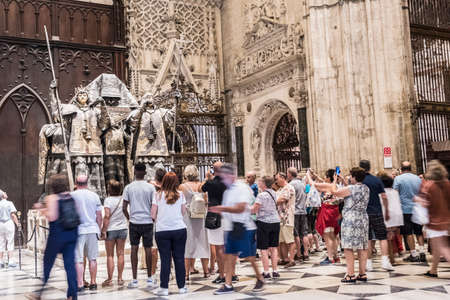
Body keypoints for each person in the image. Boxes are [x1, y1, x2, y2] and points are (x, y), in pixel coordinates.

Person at [210, 164, 264, 295]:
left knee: (249, 256)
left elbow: (240, 208)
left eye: (224, 177)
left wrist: (221, 209)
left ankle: (260, 278)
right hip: (231, 226)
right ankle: (228, 284)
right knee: (230, 256)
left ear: (231, 175)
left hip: (243, 226)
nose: (223, 180)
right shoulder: (228, 190)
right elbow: (229, 209)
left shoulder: (241, 188)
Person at [30, 174, 79, 300]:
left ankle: (38, 293)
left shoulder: (51, 198)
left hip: (57, 235)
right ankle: (73, 295)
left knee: (48, 264)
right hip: (72, 233)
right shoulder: (71, 196)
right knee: (70, 265)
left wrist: (42, 209)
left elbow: (52, 216)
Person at [151, 172, 188, 296]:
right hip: (179, 229)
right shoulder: (181, 195)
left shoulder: (157, 195)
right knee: (179, 259)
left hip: (162, 231)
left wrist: (160, 220)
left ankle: (164, 288)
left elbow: (153, 214)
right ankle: (182, 287)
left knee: (165, 259)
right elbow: (183, 212)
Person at [330, 167, 370, 283]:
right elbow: (350, 189)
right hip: (363, 218)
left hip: (351, 219)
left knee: (348, 247)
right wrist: (343, 180)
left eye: (350, 176)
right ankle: (362, 273)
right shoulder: (366, 188)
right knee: (362, 246)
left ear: (354, 177)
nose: (349, 177)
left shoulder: (351, 188)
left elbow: (335, 192)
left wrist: (334, 181)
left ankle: (351, 274)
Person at [122, 163, 157, 288]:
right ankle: (149, 278)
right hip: (147, 221)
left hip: (134, 222)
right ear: (145, 172)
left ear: (135, 172)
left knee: (134, 249)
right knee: (148, 248)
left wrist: (129, 218)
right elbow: (154, 205)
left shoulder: (129, 187)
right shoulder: (151, 188)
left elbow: (124, 207)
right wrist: (152, 218)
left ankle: (135, 279)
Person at [417, 161, 450, 278]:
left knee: (443, 247)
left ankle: (433, 270)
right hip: (446, 219)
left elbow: (425, 203)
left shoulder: (429, 185)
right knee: (437, 247)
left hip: (434, 221)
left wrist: (418, 201)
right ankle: (433, 270)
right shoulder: (447, 183)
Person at [359, 160, 394, 271]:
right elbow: (384, 197)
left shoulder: (359, 181)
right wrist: (387, 210)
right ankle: (385, 262)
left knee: (367, 238)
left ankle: (368, 263)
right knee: (382, 237)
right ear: (370, 167)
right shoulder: (376, 180)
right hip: (377, 211)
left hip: (364, 212)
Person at [71, 175, 102, 291]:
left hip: (78, 230)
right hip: (92, 229)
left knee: (78, 259)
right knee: (92, 258)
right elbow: (99, 216)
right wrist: (99, 229)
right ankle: (93, 283)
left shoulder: (71, 196)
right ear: (87, 183)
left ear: (76, 183)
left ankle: (80, 284)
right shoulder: (94, 196)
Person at [179, 165, 210, 279]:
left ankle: (186, 273)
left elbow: (180, 201)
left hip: (188, 217)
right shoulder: (201, 185)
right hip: (201, 216)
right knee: (203, 243)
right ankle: (206, 272)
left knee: (188, 244)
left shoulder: (182, 186)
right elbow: (206, 201)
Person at [393, 161, 426, 262]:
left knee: (408, 232)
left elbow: (395, 193)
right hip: (417, 208)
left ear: (401, 168)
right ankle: (422, 252)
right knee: (418, 231)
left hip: (404, 209)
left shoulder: (398, 179)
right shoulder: (417, 178)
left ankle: (413, 254)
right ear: (411, 168)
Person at [202, 161, 227, 284]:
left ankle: (222, 275)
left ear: (213, 170)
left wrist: (208, 178)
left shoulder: (211, 183)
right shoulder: (228, 183)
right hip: (227, 215)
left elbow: (202, 188)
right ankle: (231, 273)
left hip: (215, 216)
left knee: (218, 248)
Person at [251, 176, 280, 279]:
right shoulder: (275, 193)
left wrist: (246, 209)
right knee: (274, 247)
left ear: (264, 183)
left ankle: (266, 271)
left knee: (264, 248)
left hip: (264, 222)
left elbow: (254, 209)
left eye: (260, 181)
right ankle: (275, 270)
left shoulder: (261, 195)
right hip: (275, 221)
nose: (258, 183)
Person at [310, 169, 341, 265]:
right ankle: (336, 257)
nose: (324, 178)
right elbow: (322, 182)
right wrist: (315, 175)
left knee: (327, 236)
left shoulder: (328, 186)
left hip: (327, 211)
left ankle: (330, 257)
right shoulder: (336, 185)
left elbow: (313, 184)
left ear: (328, 178)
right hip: (334, 211)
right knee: (334, 235)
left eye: (325, 176)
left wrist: (308, 175)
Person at [100, 180, 128, 287]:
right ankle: (120, 278)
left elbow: (107, 216)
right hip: (122, 228)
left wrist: (103, 229)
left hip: (111, 229)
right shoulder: (123, 199)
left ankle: (110, 279)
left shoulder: (108, 200)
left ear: (110, 189)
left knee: (110, 255)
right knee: (120, 254)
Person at [379, 175, 404, 263]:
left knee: (387, 238)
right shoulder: (395, 191)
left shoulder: (381, 193)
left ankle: (390, 258)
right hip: (397, 216)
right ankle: (393, 255)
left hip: (387, 215)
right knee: (391, 236)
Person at [287, 167, 310, 261]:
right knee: (304, 233)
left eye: (287, 173)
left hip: (295, 212)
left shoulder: (291, 184)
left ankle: (299, 254)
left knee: (295, 234)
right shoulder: (302, 184)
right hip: (303, 211)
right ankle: (306, 253)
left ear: (290, 174)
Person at [275, 172, 296, 268]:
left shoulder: (289, 188)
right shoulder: (281, 189)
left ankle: (292, 260)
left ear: (283, 178)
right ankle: (284, 259)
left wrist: (270, 201)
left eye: (277, 178)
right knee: (282, 240)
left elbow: (281, 199)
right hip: (281, 217)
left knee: (289, 240)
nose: (276, 181)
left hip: (287, 217)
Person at [0, 190, 20, 269]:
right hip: (8, 223)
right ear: (3, 195)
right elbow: (13, 215)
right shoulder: (9, 203)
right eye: (4, 192)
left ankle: (0, 261)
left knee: (1, 242)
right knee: (10, 241)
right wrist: (18, 223)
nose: (6, 193)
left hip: (0, 224)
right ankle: (11, 261)